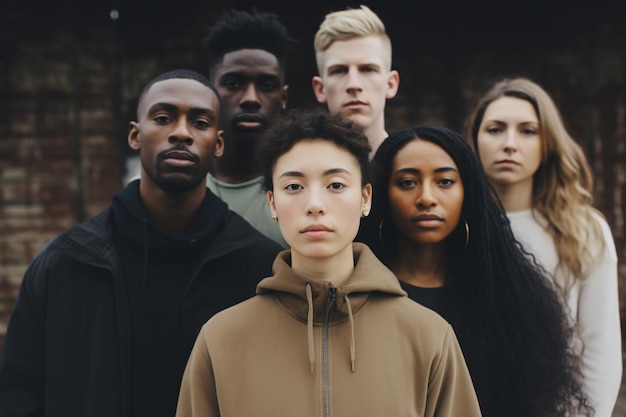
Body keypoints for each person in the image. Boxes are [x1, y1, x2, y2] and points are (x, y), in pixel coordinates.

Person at [0, 69, 283, 417]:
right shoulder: (63, 265)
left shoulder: (261, 270)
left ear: (218, 145)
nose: (181, 133)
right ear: (135, 136)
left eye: (199, 122)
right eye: (163, 118)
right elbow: (18, 395)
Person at [175, 109, 482, 417]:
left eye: (335, 185)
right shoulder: (221, 339)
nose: (315, 205)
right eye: (294, 186)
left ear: (365, 198)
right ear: (272, 203)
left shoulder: (428, 336)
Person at [357, 124, 591, 417]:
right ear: (380, 193)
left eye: (444, 182)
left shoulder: (507, 299)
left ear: (468, 192)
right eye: (407, 182)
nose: (426, 197)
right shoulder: (354, 292)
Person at [465, 76, 622, 417]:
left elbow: (600, 350)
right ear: (474, 142)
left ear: (547, 142)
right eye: (495, 129)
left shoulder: (583, 230)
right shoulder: (454, 227)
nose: (509, 143)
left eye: (527, 130)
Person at [203, 8, 296, 248]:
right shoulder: (172, 183)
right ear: (210, 91)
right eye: (233, 84)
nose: (251, 98)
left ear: (283, 97)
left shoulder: (305, 190)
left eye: (266, 85)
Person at [311, 5, 399, 156]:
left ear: (390, 84)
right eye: (339, 71)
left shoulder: (413, 172)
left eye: (368, 69)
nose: (354, 84)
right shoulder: (299, 174)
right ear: (320, 88)